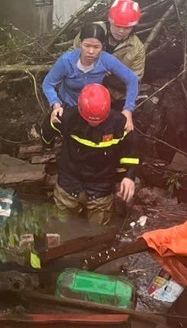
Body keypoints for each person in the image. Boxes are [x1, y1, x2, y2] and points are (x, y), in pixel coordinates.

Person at [41, 84, 139, 225]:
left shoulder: (119, 123)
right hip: (70, 180)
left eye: (98, 120)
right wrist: (50, 120)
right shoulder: (68, 117)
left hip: (101, 183)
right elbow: (47, 132)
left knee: (98, 227)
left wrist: (129, 176)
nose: (94, 123)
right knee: (62, 223)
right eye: (91, 120)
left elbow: (132, 149)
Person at [43, 23, 139, 130]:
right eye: (87, 46)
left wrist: (128, 109)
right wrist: (56, 105)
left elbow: (132, 79)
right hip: (69, 105)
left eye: (96, 47)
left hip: (95, 106)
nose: (91, 51)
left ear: (102, 46)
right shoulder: (66, 61)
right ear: (80, 43)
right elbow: (48, 84)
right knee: (57, 128)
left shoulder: (106, 60)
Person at [72, 0, 146, 80]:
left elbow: (135, 79)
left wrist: (116, 72)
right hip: (82, 81)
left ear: (133, 27)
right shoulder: (91, 31)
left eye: (127, 28)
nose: (121, 31)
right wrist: (92, 65)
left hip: (114, 88)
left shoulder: (137, 48)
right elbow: (71, 57)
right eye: (117, 26)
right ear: (110, 21)